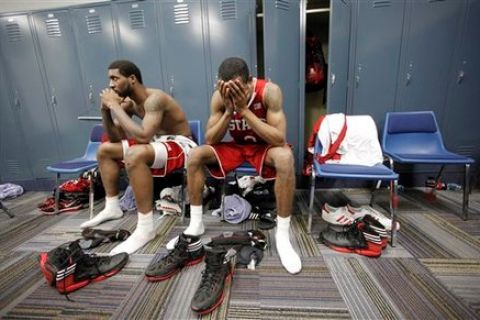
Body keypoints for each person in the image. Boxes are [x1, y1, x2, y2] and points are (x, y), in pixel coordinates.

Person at [151, 57, 301, 276]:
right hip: (237, 146)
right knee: (195, 155)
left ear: (249, 82)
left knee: (286, 158)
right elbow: (211, 139)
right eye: (226, 90)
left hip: (264, 146)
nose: (231, 94)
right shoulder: (220, 97)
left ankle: (283, 234)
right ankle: (196, 224)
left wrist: (245, 111)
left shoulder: (270, 91)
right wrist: (230, 111)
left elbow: (279, 138)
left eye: (237, 88)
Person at [80, 60, 195, 255]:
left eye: (115, 78)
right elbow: (115, 137)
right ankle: (112, 206)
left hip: (182, 144)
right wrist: (105, 110)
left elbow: (143, 136)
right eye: (110, 79)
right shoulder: (131, 103)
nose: (110, 84)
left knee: (135, 153)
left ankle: (145, 229)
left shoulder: (155, 99)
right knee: (105, 149)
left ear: (132, 79)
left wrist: (115, 106)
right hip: (158, 142)